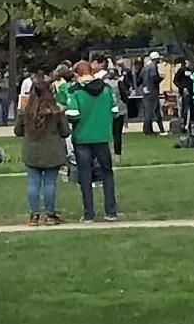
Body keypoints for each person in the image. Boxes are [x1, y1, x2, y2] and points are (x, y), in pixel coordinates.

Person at [61, 58, 121, 221]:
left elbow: (74, 115)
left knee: (85, 176)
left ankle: (89, 213)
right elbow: (115, 112)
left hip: (82, 137)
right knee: (107, 173)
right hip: (102, 136)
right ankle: (111, 211)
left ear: (76, 74)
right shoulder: (107, 89)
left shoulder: (74, 92)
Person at [16, 77, 70, 224]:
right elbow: (65, 132)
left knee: (33, 183)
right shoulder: (56, 111)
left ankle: (34, 215)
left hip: (31, 151)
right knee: (50, 183)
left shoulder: (25, 111)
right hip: (52, 151)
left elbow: (17, 131)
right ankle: (50, 215)